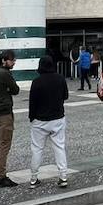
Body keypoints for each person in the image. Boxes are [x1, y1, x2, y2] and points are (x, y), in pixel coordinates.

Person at [28, 57, 72, 187]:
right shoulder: (60, 78)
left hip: (40, 120)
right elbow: (66, 96)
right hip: (57, 118)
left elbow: (32, 102)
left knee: (37, 149)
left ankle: (33, 178)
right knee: (59, 147)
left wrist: (32, 118)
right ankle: (63, 176)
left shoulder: (36, 82)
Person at [0, 50, 21, 188]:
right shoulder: (5, 74)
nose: (14, 62)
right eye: (12, 60)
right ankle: (2, 176)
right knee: (5, 144)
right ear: (4, 60)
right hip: (5, 113)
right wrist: (8, 89)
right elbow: (16, 90)